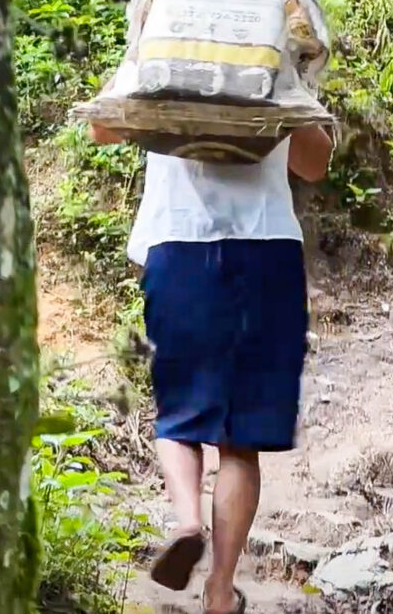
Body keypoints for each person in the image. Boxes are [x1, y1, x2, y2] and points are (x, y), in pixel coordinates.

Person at [89, 109, 331, 613]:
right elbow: (315, 163)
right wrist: (284, 110)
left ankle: (186, 524)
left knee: (180, 416)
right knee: (241, 443)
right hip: (267, 250)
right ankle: (220, 589)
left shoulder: (163, 47)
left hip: (179, 241)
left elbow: (102, 128)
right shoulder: (272, 56)